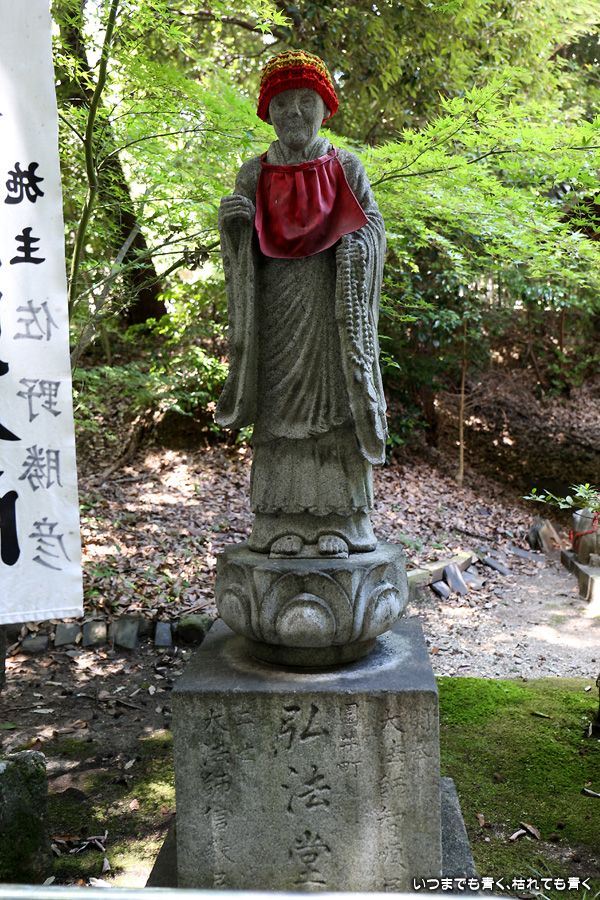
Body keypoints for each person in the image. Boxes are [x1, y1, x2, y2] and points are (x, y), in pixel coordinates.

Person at [216, 50, 387, 559]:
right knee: (278, 415)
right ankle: (278, 523)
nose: (294, 112)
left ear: (324, 108)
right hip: (276, 312)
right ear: (267, 111)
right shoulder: (254, 173)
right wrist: (234, 228)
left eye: (304, 101)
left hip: (332, 311)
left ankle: (343, 523)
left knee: (335, 411)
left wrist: (357, 243)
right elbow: (238, 248)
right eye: (283, 103)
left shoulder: (345, 167)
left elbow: (373, 229)